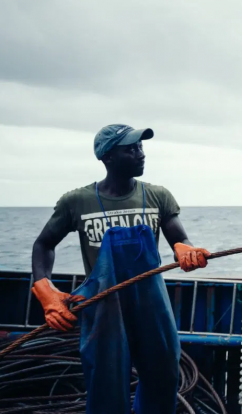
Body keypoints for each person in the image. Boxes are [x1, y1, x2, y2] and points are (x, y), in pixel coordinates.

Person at [30, 124, 210, 414]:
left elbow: (179, 238)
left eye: (141, 147)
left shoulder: (158, 196)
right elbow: (44, 245)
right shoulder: (76, 201)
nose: (141, 154)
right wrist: (44, 288)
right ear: (108, 157)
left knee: (164, 374)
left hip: (152, 304)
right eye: (131, 149)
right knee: (106, 381)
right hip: (104, 307)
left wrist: (185, 248)